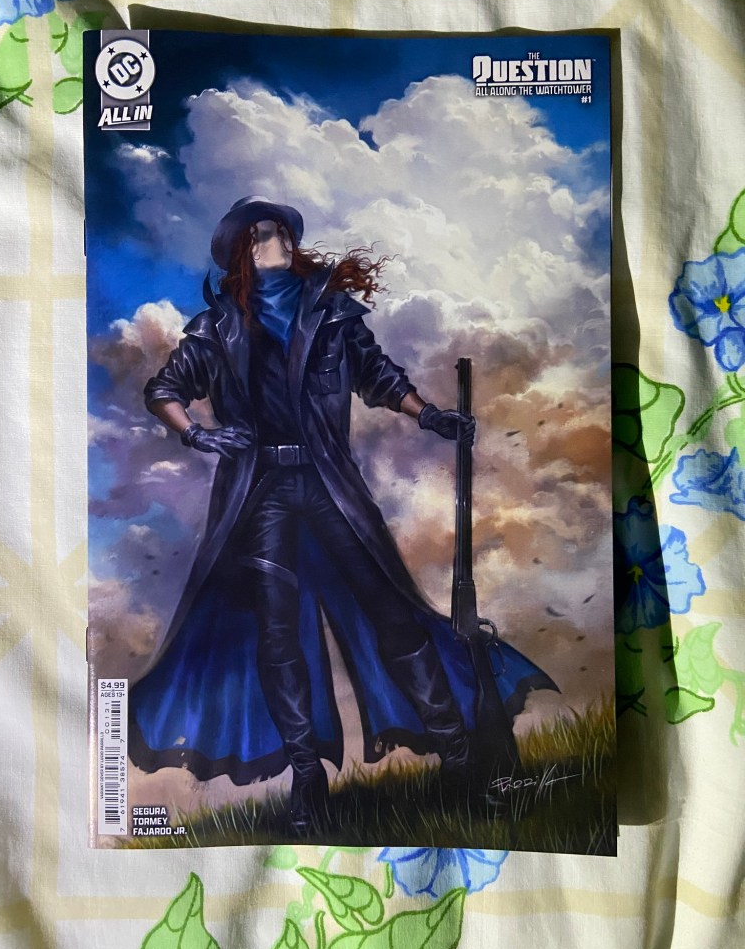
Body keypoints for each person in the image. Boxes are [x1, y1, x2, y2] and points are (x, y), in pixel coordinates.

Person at [129, 196, 552, 834]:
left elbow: (377, 375)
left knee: (393, 616)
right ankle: (308, 779)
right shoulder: (217, 327)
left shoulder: (330, 311)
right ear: (240, 251)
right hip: (261, 492)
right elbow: (163, 390)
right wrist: (198, 434)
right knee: (277, 636)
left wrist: (430, 416)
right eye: (254, 235)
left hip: (330, 485)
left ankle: (461, 760)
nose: (268, 240)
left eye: (274, 230)